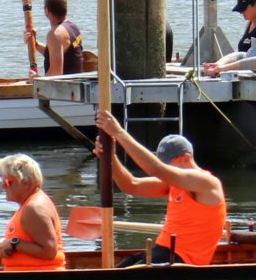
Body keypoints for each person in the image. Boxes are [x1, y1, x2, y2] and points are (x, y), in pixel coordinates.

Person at [94, 111, 229, 266]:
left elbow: (156, 169)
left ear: (186, 158)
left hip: (183, 262)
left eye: (168, 164)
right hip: (163, 253)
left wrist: (118, 132)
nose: (166, 169)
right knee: (123, 267)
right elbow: (130, 185)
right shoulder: (174, 184)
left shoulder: (206, 182)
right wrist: (111, 156)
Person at [0, 154, 64, 271]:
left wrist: (14, 244)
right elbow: (27, 240)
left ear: (26, 183)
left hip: (38, 278)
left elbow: (49, 251)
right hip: (23, 274)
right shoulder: (29, 204)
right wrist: (4, 243)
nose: (3, 186)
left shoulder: (34, 208)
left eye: (8, 182)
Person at [29, 0, 87, 76]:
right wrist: (35, 43)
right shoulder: (73, 27)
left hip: (65, 88)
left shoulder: (55, 34)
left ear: (47, 11)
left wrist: (36, 79)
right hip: (76, 83)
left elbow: (55, 74)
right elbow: (55, 54)